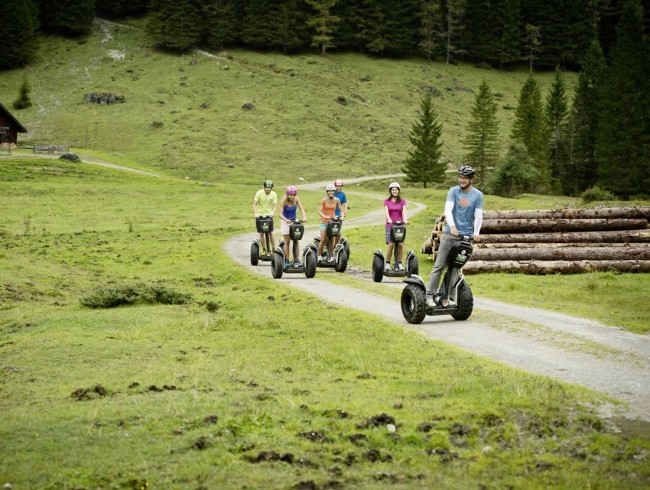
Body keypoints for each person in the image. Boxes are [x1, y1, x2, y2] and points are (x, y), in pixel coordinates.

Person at [426, 165, 483, 307]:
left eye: (465, 178)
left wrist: (476, 233)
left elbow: (478, 216)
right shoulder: (453, 191)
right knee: (439, 265)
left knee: (455, 268)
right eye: (460, 177)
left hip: (466, 237)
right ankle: (430, 295)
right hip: (450, 235)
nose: (461, 180)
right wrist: (452, 226)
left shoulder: (478, 195)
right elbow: (448, 210)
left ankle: (448, 295)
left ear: (471, 179)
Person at [279, 185, 307, 268]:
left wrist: (304, 217)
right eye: (290, 195)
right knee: (287, 242)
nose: (292, 196)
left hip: (294, 222)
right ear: (287, 194)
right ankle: (287, 261)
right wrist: (286, 219)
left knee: (296, 240)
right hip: (285, 222)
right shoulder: (284, 201)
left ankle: (296, 260)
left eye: (293, 195)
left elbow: (301, 209)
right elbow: (280, 214)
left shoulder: (297, 199)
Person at [384, 182, 409, 271]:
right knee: (391, 244)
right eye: (393, 190)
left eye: (396, 189)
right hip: (390, 225)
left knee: (401, 245)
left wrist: (405, 219)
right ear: (390, 191)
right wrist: (389, 219)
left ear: (398, 191)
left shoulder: (402, 201)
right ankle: (387, 263)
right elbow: (386, 212)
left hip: (399, 225)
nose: (394, 191)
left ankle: (399, 263)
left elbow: (404, 211)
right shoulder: (386, 201)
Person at [317, 183, 343, 262]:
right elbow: (319, 211)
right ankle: (319, 256)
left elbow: (341, 210)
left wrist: (342, 217)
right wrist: (324, 216)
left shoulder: (337, 200)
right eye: (329, 191)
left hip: (332, 222)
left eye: (332, 191)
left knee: (332, 239)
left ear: (334, 191)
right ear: (327, 192)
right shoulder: (324, 200)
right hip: (324, 222)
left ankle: (331, 256)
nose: (331, 192)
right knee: (323, 239)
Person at [253, 180, 278, 254]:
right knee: (261, 233)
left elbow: (275, 205)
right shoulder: (259, 193)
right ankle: (264, 249)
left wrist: (273, 212)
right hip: (259, 215)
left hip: (269, 215)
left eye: (270, 188)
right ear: (264, 187)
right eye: (267, 188)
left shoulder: (273, 194)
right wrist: (256, 213)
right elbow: (254, 204)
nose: (268, 189)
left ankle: (274, 249)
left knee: (270, 232)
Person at [333, 179, 348, 246]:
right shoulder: (332, 193)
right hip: (332, 214)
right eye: (337, 186)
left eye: (340, 186)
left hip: (339, 214)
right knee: (332, 230)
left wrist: (345, 212)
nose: (338, 187)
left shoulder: (343, 194)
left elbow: (345, 203)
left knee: (338, 231)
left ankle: (336, 245)